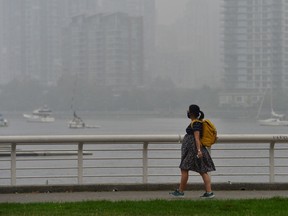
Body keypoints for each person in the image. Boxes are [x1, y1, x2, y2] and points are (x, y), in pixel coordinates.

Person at [170, 104, 216, 198]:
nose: (187, 112)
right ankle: (209, 192)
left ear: (191, 113)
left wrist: (199, 151)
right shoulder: (198, 122)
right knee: (202, 170)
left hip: (193, 150)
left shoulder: (196, 123)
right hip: (194, 149)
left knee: (184, 168)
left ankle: (180, 191)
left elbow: (197, 138)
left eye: (188, 110)